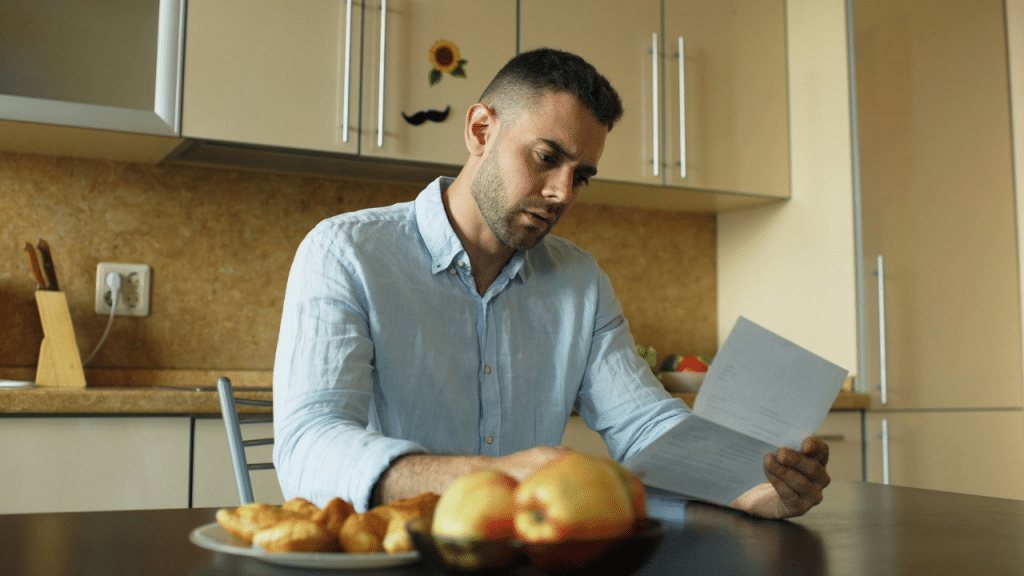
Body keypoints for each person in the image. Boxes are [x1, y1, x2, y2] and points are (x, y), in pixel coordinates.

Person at [272, 48, 830, 520]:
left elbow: (643, 424)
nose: (564, 192)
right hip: (391, 557)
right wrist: (487, 474)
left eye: (580, 175)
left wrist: (748, 487)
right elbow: (308, 446)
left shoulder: (579, 281)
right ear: (481, 130)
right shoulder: (346, 252)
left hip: (531, 553)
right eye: (546, 158)